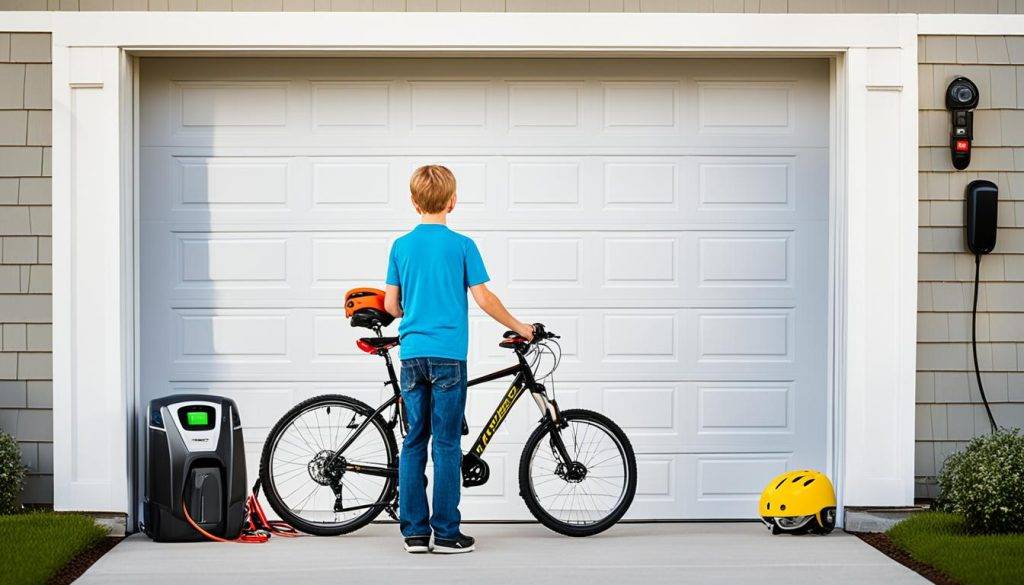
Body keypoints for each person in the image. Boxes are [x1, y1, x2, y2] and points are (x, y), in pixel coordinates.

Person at [384, 165, 535, 554]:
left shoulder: (401, 246)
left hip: (413, 356)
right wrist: (522, 326)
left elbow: (390, 305)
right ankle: (447, 534)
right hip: (449, 357)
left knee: (415, 440)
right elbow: (484, 298)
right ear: (452, 201)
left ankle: (415, 534)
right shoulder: (462, 245)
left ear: (414, 201)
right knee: (447, 444)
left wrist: (411, 314)